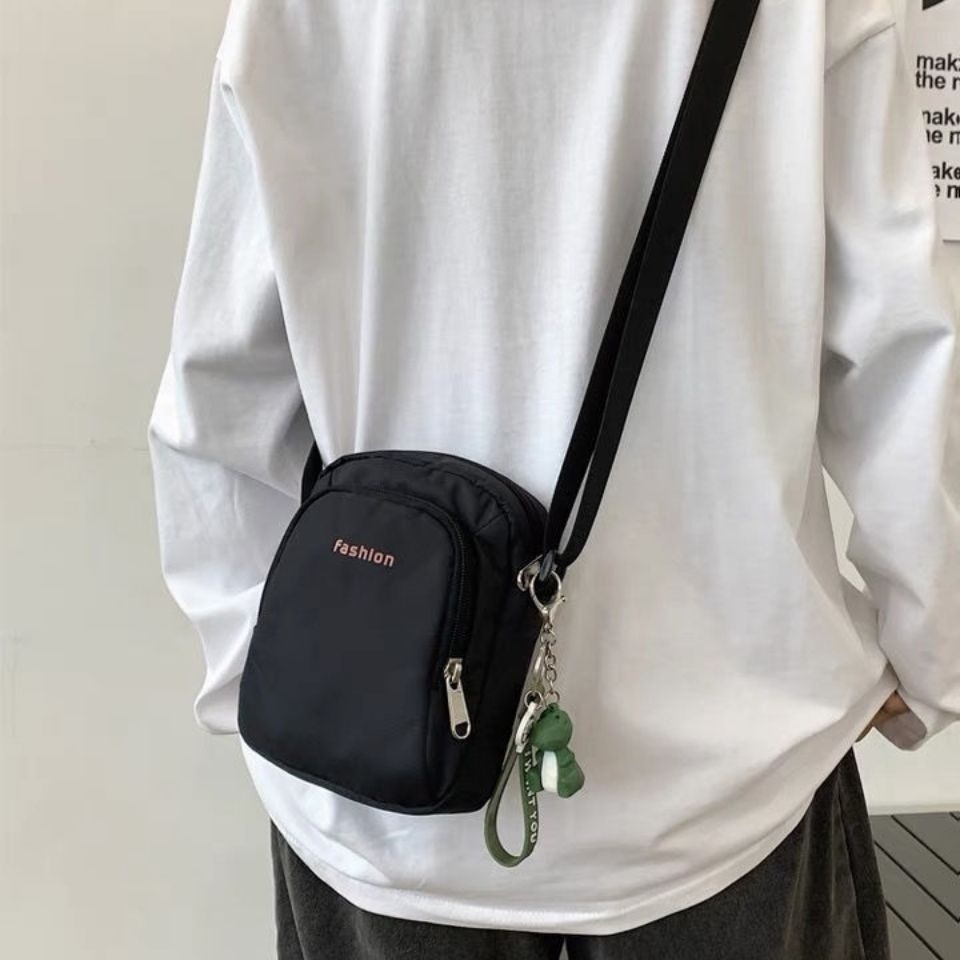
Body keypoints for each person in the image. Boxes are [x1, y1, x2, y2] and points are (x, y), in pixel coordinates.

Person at [147, 1, 960, 957]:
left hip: (380, 787)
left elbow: (221, 393)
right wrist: (930, 655)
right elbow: (903, 354)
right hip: (729, 774)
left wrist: (262, 671)